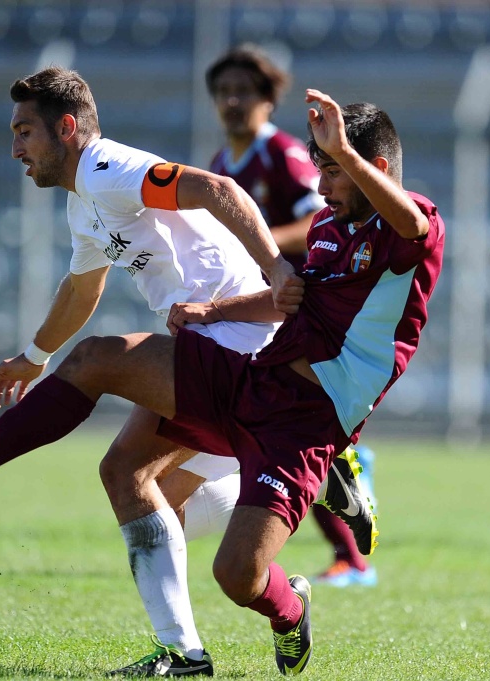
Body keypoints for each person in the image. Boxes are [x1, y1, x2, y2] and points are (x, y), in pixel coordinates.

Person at [0, 69, 442, 674]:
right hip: (257, 377)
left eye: (24, 132)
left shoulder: (412, 226)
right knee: (131, 477)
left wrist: (291, 236)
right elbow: (87, 289)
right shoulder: (324, 229)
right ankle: (189, 648)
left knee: (227, 564)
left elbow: (233, 193)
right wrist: (37, 356)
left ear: (65, 128)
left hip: (284, 394)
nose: (15, 148)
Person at [168, 43, 379, 589]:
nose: (232, 101)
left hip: (300, 303)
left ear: (268, 100)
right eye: (223, 92)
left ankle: (351, 552)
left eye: (244, 91)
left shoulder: (284, 154)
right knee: (274, 431)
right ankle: (341, 473)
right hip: (256, 302)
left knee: (285, 430)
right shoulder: (221, 164)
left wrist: (255, 242)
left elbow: (320, 220)